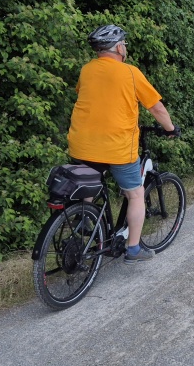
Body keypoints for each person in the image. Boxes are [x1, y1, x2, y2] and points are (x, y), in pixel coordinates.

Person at [67, 25, 179, 264]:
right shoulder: (130, 72)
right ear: (118, 47)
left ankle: (83, 220)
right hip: (116, 147)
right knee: (136, 194)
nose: (125, 48)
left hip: (82, 144)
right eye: (124, 44)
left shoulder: (86, 70)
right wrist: (170, 129)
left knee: (90, 184)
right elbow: (156, 107)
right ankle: (134, 249)